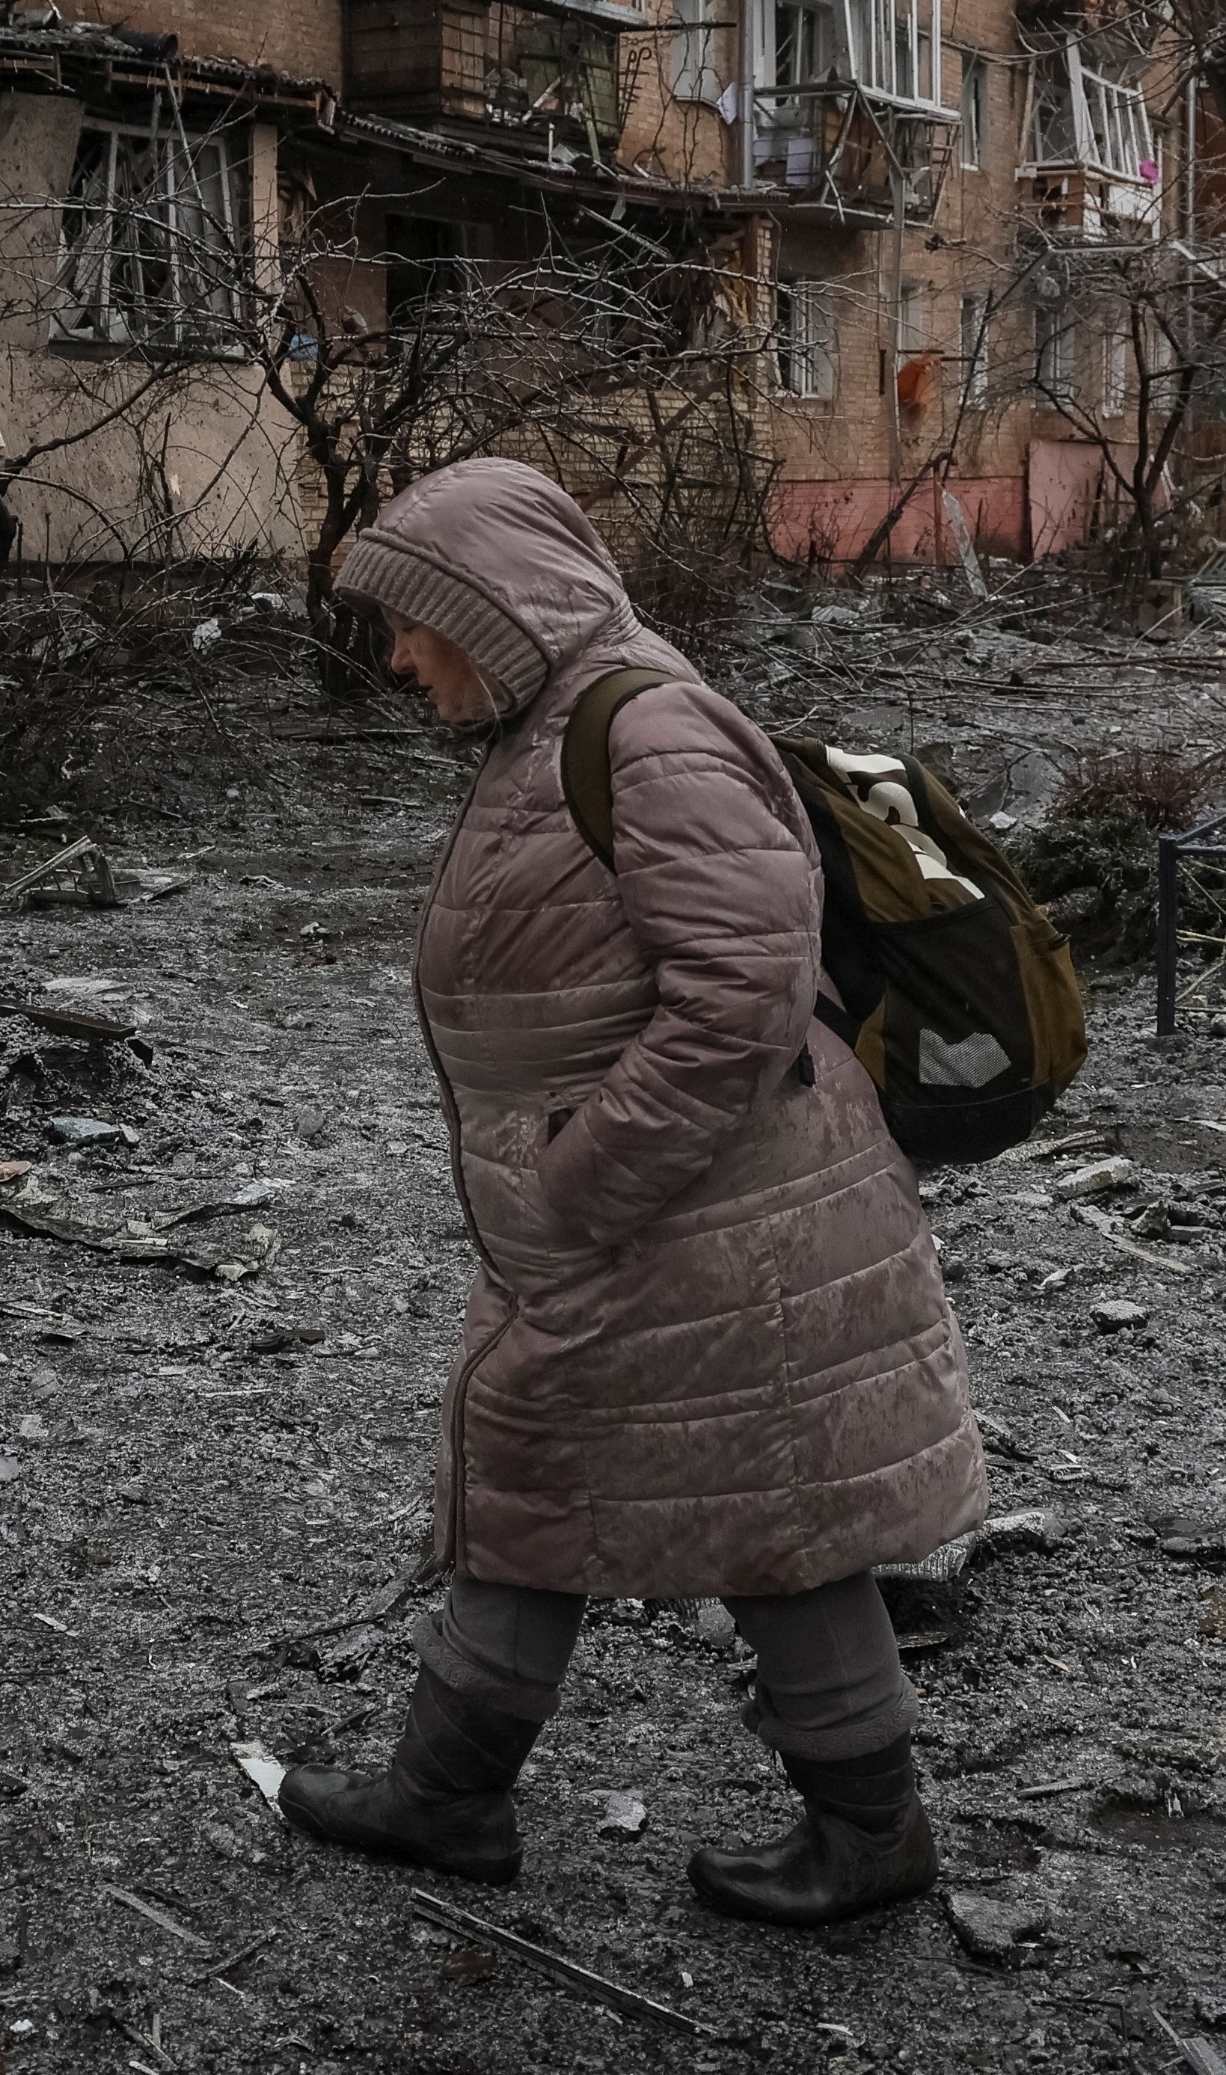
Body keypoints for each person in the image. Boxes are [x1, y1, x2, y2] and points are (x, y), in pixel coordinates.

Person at [279, 459, 986, 1926]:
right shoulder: (557, 719)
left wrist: (578, 1177)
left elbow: (740, 993)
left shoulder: (642, 725)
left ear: (488, 608)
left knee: (760, 1515)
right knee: (565, 1476)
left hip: (705, 1219)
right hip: (666, 1215)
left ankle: (860, 1833)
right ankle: (452, 1793)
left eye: (415, 625)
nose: (401, 659)